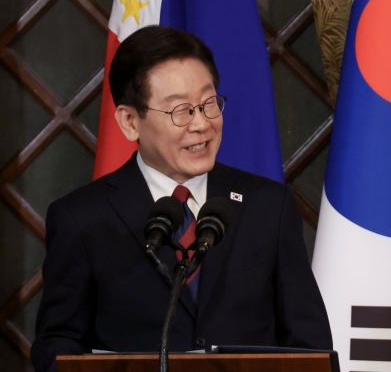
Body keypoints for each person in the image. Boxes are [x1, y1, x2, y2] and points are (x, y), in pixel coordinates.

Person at [31, 25, 332, 372]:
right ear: (130, 121)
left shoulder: (267, 206)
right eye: (181, 110)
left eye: (208, 103)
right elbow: (57, 348)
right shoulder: (82, 219)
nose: (201, 124)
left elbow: (310, 345)